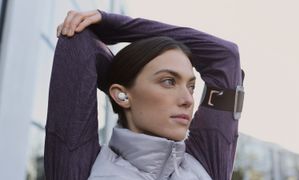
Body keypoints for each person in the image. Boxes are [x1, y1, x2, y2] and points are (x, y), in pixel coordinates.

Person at [45, 9, 244, 180]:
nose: (188, 100)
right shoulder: (82, 167)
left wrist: (117, 27)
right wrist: (123, 79)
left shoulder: (204, 162)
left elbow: (225, 55)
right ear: (121, 95)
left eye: (191, 87)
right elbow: (79, 39)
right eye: (168, 81)